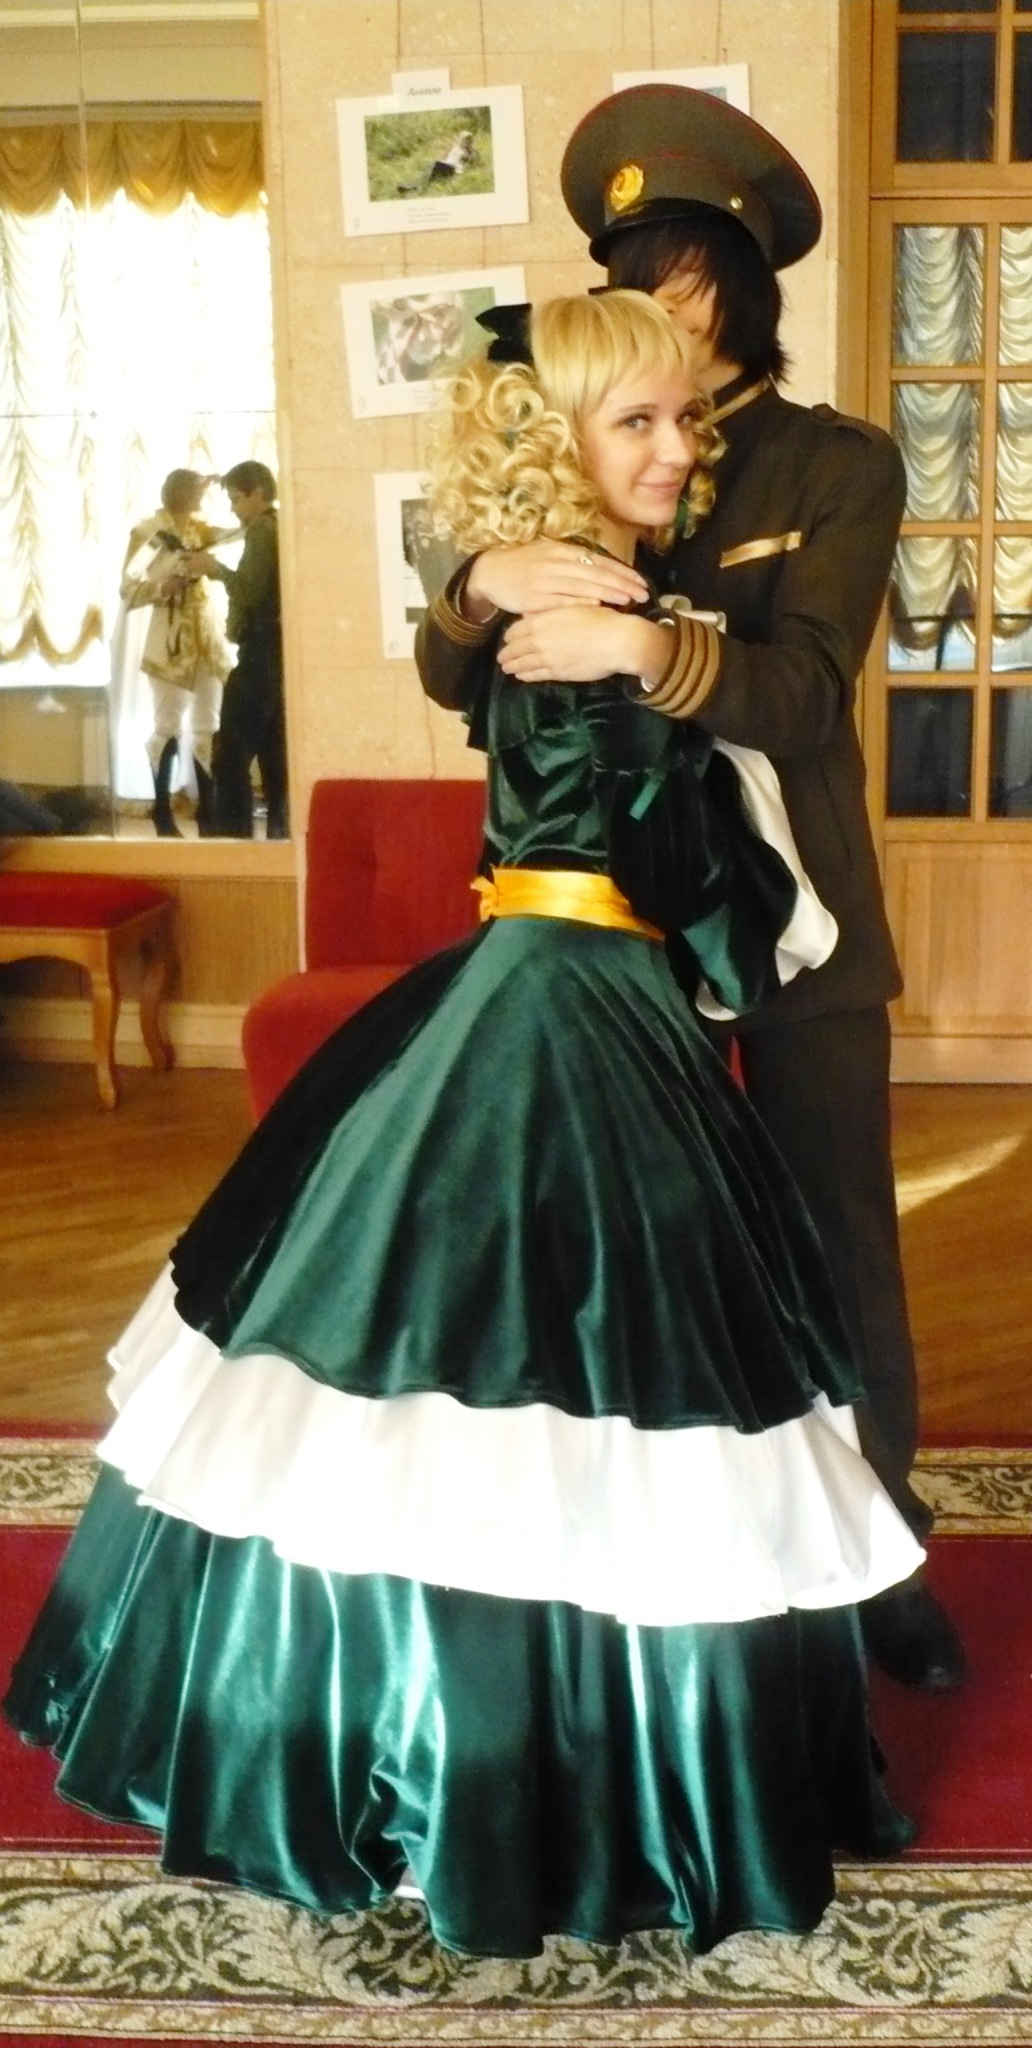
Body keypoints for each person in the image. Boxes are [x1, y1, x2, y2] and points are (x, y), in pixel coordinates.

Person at [5, 289, 923, 1960]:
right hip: (585, 1004)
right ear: (556, 441)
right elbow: (689, 874)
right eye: (638, 421)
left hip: (524, 980)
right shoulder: (584, 616)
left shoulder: (586, 606)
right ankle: (541, 1783)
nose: (680, 447)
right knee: (599, 1382)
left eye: (685, 418)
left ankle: (411, 1749)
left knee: (478, 1375)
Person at [415, 84, 965, 1695]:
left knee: (836, 1244)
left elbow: (800, 695)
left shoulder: (836, 466)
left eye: (696, 283)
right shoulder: (567, 428)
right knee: (647, 1258)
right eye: (638, 281)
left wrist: (644, 643)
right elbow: (458, 673)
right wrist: (477, 584)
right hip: (618, 941)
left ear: (749, 291)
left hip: (801, 934)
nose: (666, 313)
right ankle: (672, 1566)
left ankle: (880, 1554)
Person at [118, 469, 233, 837]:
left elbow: (239, 531)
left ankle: (208, 812)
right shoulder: (149, 534)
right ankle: (162, 812)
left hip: (206, 638)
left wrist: (225, 481)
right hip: (169, 640)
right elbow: (128, 590)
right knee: (167, 725)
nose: (200, 495)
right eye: (195, 488)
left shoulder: (201, 530)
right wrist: (162, 587)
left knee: (208, 725)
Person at [187, 461, 287, 839]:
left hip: (258, 653)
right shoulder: (277, 526)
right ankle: (280, 836)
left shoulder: (262, 531)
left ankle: (233, 839)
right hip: (275, 654)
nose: (232, 509)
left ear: (256, 493)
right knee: (275, 756)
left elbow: (250, 592)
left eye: (234, 499)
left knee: (230, 754)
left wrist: (213, 569)